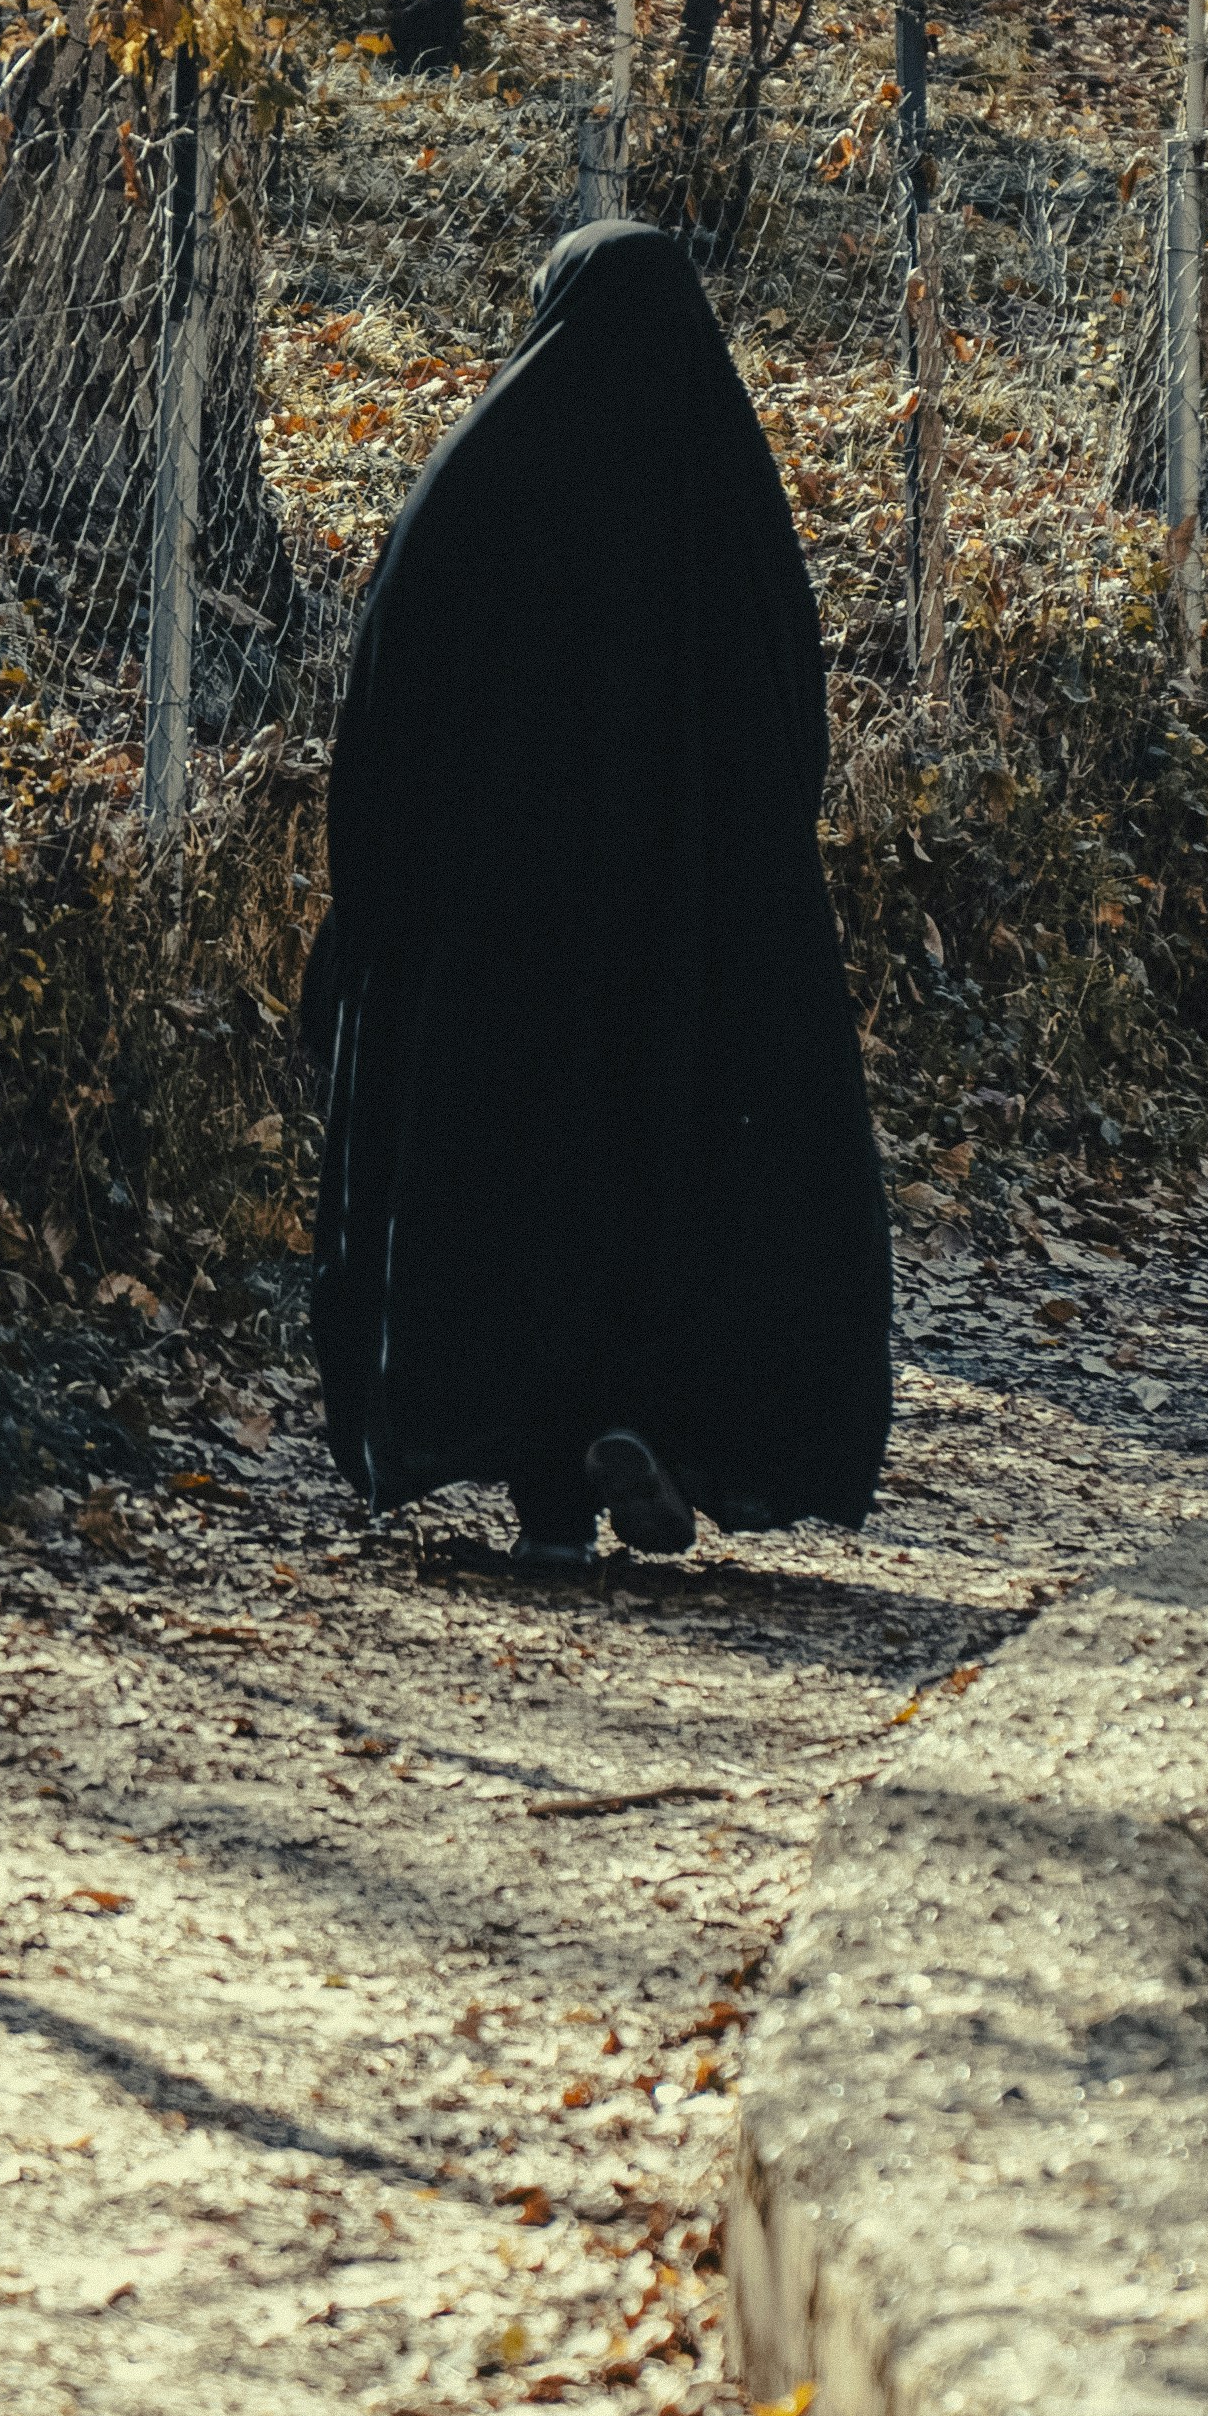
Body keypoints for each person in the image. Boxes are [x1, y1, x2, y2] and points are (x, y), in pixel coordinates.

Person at [305, 214, 893, 1565]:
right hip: (699, 937)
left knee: (524, 1186)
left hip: (507, 939)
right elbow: (792, 722)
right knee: (685, 1184)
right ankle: (666, 1429)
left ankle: (546, 1488)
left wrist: (382, 898)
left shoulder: (485, 474)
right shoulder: (726, 497)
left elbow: (391, 688)